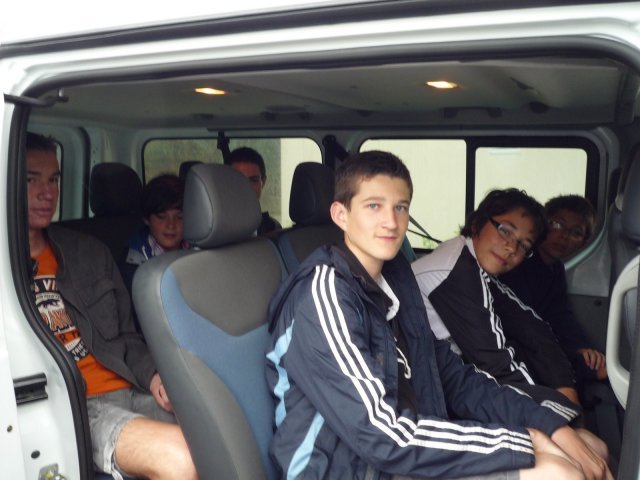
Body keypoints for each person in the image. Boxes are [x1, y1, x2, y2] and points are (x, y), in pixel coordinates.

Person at [266, 151, 611, 480]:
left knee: (586, 445)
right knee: (559, 471)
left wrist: (550, 425)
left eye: (400, 207)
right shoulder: (324, 294)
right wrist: (527, 440)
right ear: (341, 215)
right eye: (374, 206)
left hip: (401, 447)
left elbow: (454, 378)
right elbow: (383, 436)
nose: (391, 222)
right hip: (343, 468)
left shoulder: (394, 281)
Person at [26, 132, 197, 480]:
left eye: (54, 180)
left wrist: (153, 375)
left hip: (131, 386)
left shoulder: (89, 252)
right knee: (180, 458)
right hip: (75, 408)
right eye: (31, 180)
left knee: (219, 433)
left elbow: (127, 336)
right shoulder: (7, 270)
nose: (47, 193)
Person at [411, 189, 608, 461]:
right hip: (435, 390)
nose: (511, 248)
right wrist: (557, 412)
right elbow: (496, 363)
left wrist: (565, 386)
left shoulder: (474, 264)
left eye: (523, 245)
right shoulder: (456, 270)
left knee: (590, 443)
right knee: (588, 448)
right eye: (505, 231)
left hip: (460, 378)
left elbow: (531, 325)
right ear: (478, 222)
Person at [500, 195, 607, 384]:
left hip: (539, 346)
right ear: (541, 225)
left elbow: (560, 316)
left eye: (575, 232)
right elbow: (524, 326)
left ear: (583, 243)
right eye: (557, 225)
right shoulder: (519, 263)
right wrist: (574, 361)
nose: (564, 236)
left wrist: (581, 348)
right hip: (513, 348)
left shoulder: (555, 269)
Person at [120, 173, 189, 295]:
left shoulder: (198, 250)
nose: (171, 225)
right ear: (147, 219)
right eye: (161, 217)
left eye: (180, 217)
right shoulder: (133, 262)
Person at [228, 146, 282, 234]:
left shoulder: (272, 229)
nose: (246, 188)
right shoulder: (216, 234)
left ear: (263, 182)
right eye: (238, 180)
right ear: (226, 183)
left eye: (253, 180)